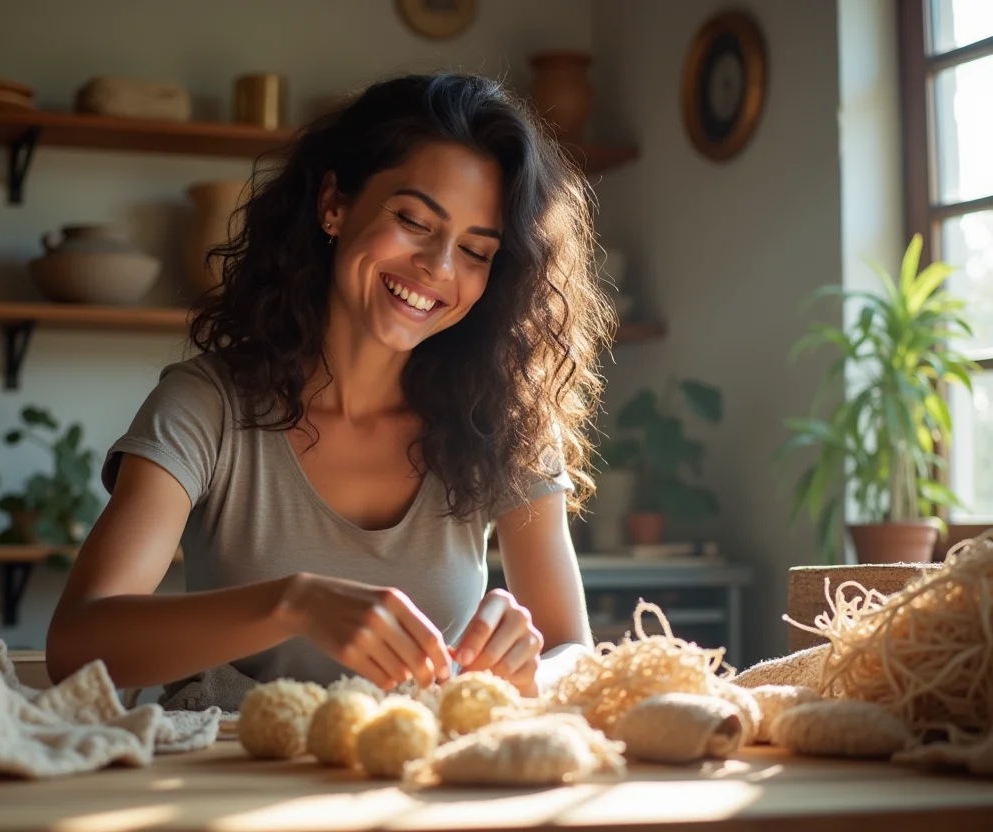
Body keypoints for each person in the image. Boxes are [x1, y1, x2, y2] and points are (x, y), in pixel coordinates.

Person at [44, 71, 615, 711]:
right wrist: (294, 604)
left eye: (476, 252)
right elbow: (76, 645)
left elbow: (574, 650)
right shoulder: (205, 406)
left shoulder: (503, 419)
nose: (438, 267)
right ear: (333, 205)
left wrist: (532, 670)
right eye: (414, 221)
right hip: (224, 764)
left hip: (416, 768)